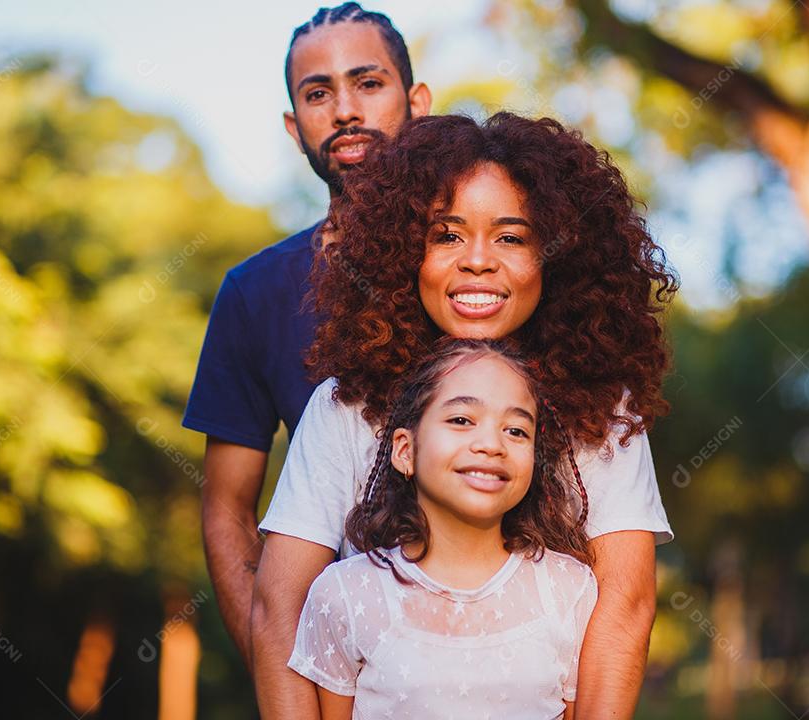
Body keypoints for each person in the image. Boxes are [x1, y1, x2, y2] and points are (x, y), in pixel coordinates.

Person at [255, 112, 679, 719]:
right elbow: (280, 609)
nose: (477, 261)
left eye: (511, 238)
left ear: (556, 257)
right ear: (406, 252)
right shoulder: (344, 403)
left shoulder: (605, 409)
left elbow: (626, 607)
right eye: (447, 235)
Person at [181, 2, 431, 670]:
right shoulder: (255, 292)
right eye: (318, 94)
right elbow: (228, 512)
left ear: (417, 102)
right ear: (295, 127)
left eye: (368, 83)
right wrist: (283, 680)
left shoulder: (482, 266)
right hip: (345, 672)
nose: (345, 110)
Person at [289, 338, 597, 719]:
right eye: (461, 420)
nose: (491, 444)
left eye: (516, 431)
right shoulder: (344, 595)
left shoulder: (568, 590)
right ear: (405, 450)